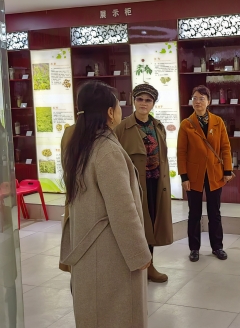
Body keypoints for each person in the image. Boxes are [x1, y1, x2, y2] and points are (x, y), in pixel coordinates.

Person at [59, 81, 151, 328]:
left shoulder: (79, 145)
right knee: (118, 315)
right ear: (110, 112)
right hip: (110, 253)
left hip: (88, 249)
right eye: (118, 105)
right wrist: (139, 254)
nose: (121, 110)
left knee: (93, 313)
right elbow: (123, 210)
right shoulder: (107, 150)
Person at [115, 84, 173, 283]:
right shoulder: (122, 128)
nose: (143, 103)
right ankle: (133, 265)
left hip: (155, 183)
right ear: (134, 101)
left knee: (152, 223)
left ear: (153, 103)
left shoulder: (158, 127)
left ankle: (149, 265)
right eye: (140, 99)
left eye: (148, 100)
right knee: (136, 225)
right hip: (133, 186)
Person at [178, 85, 233, 262]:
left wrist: (227, 170)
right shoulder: (186, 124)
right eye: (194, 98)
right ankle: (194, 248)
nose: (198, 102)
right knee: (194, 213)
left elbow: (225, 147)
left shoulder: (218, 121)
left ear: (208, 101)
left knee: (214, 212)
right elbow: (181, 152)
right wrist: (184, 176)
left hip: (214, 172)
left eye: (202, 98)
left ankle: (217, 247)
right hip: (194, 174)